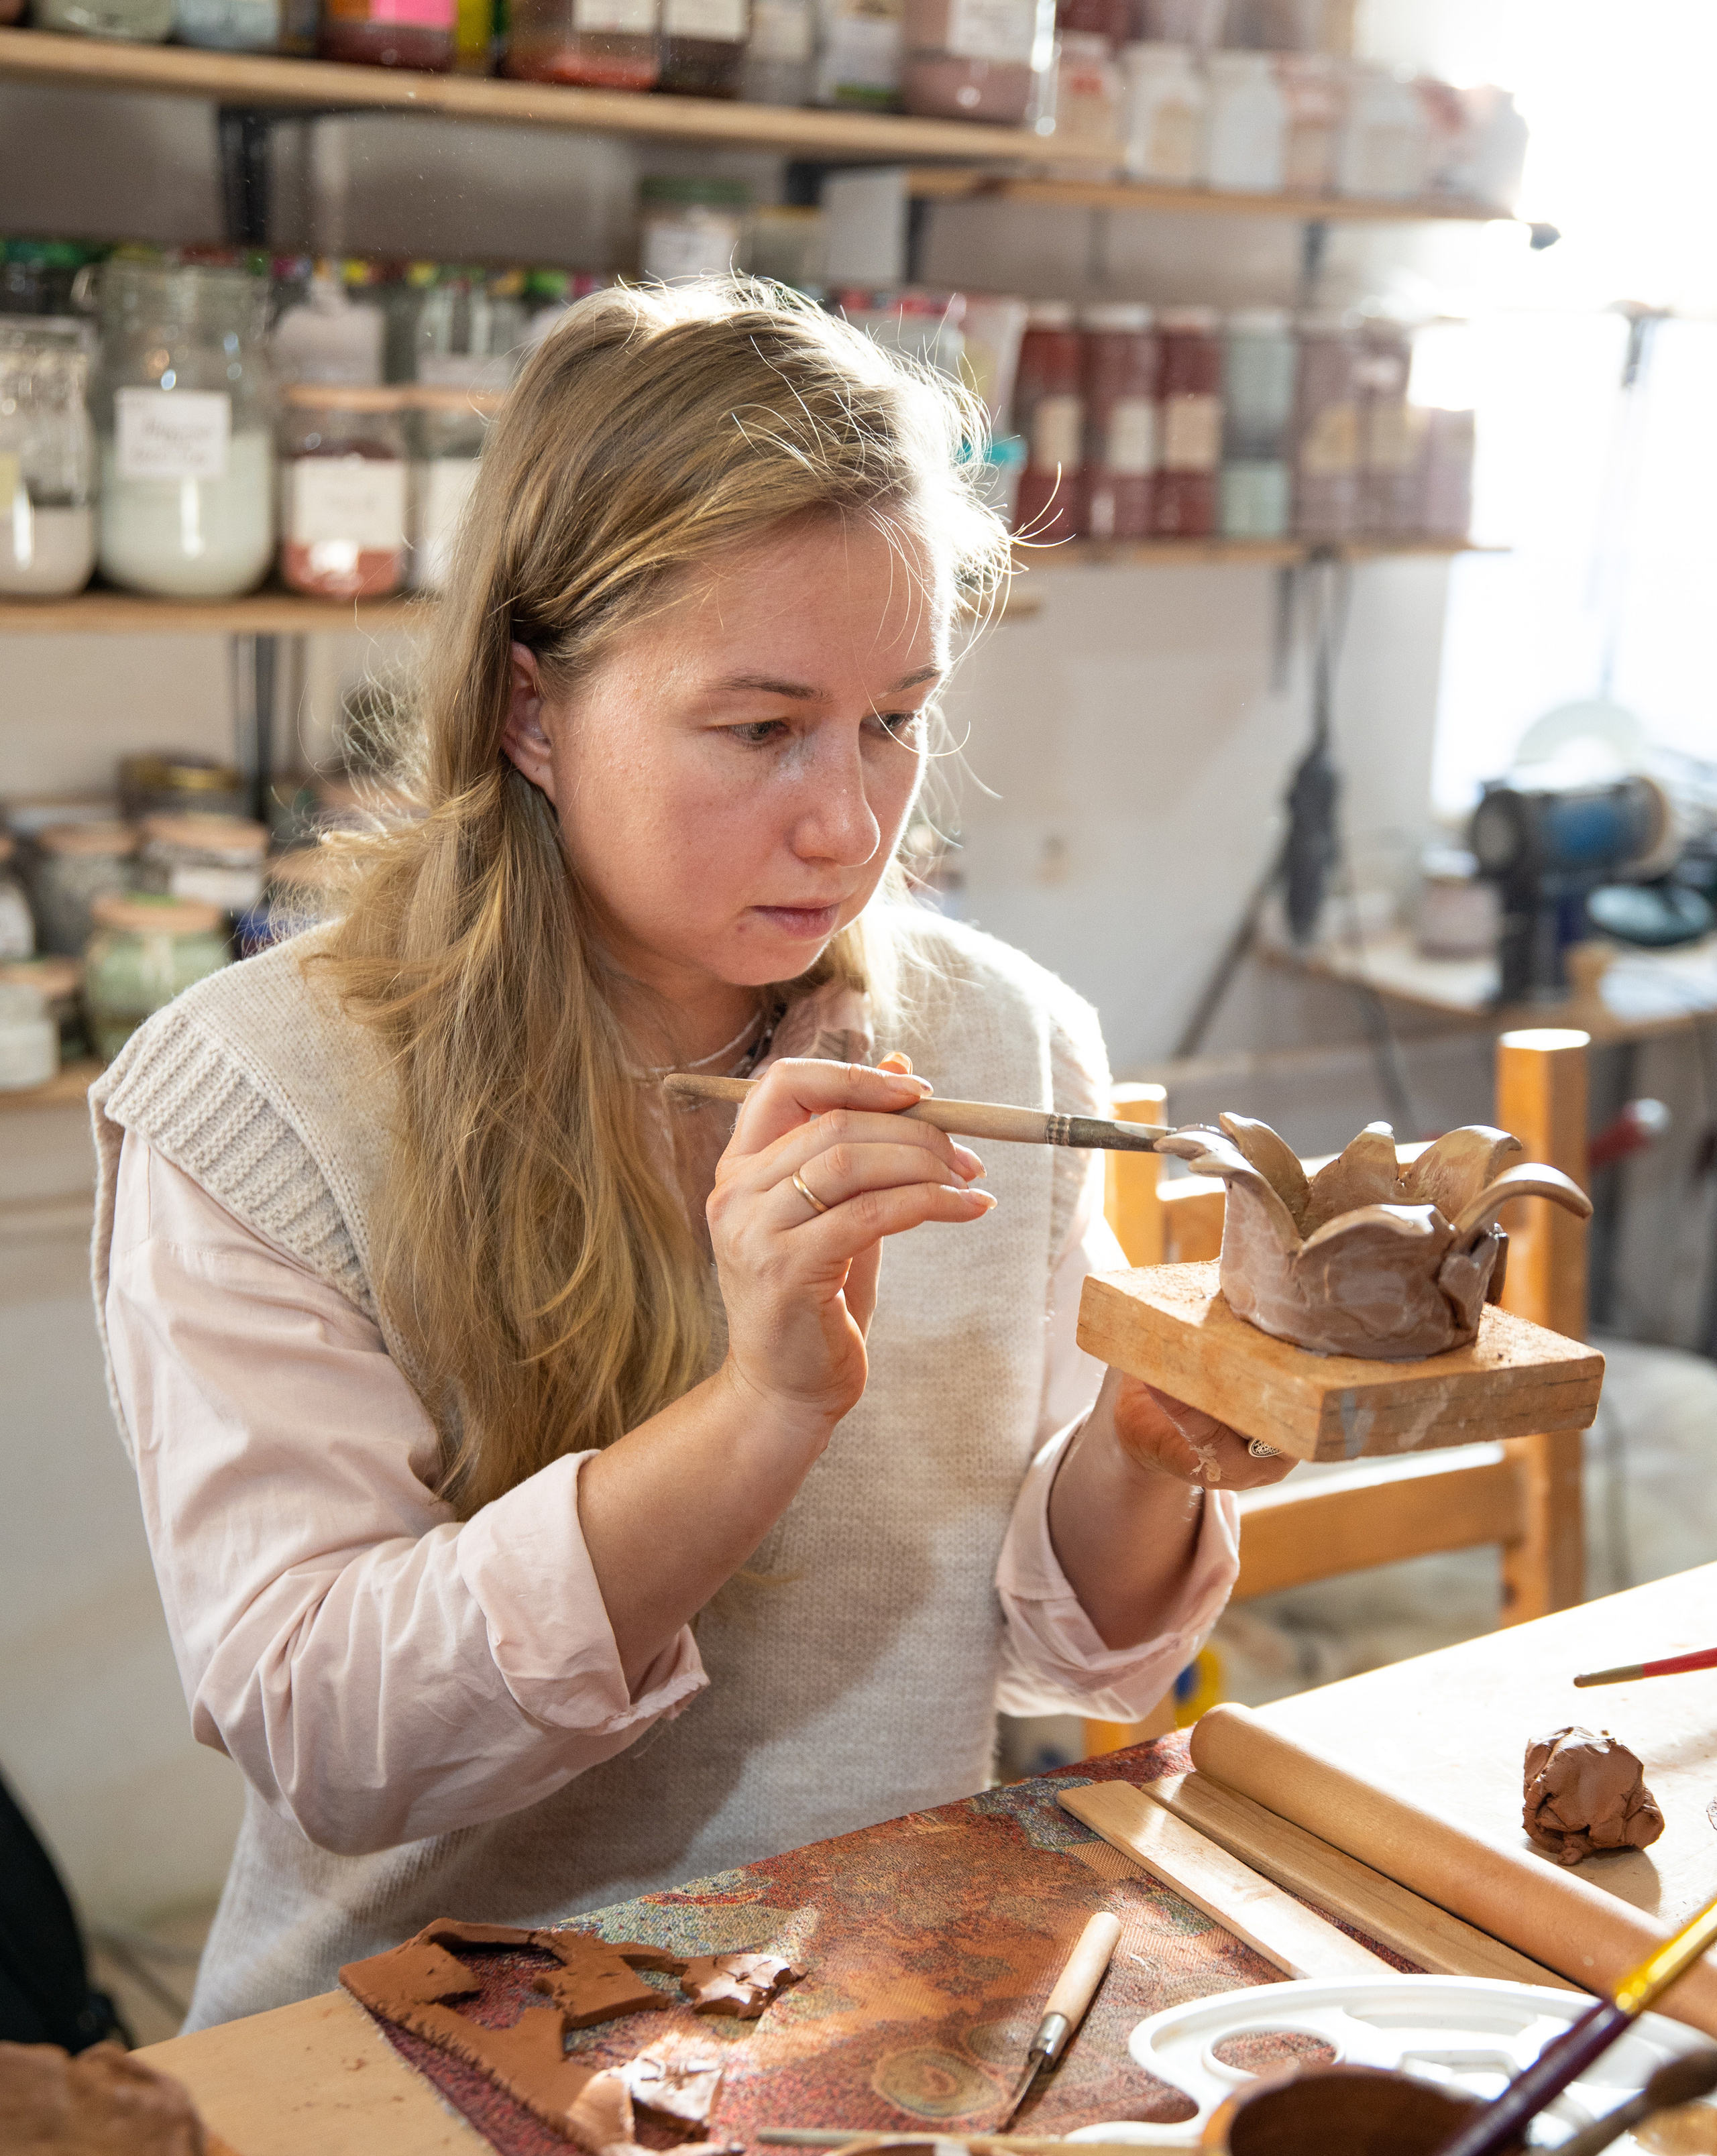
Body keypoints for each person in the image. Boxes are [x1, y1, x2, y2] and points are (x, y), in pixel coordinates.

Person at [92, 282, 1291, 2029]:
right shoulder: (263, 1095)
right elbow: (331, 1738)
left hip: (870, 2009)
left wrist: (1140, 1447)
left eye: (895, 720)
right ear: (532, 713)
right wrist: (761, 1412)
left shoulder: (1005, 1045)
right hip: (409, 2046)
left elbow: (1066, 1647)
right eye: (758, 729)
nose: (848, 822)